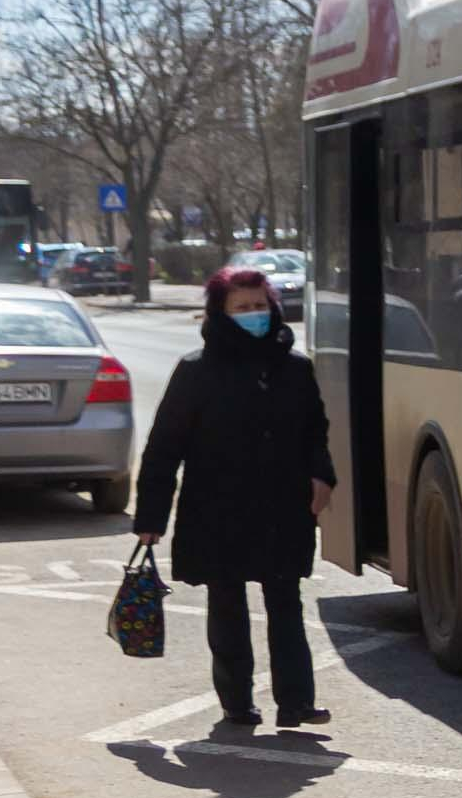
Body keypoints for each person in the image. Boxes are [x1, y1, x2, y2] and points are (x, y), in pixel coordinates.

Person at [135, 267, 335, 729]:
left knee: (286, 600)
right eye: (241, 308)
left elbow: (315, 431)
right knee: (227, 604)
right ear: (221, 313)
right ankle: (237, 702)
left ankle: (296, 702)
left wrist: (322, 475)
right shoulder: (196, 371)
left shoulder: (295, 367)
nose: (253, 315)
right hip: (217, 509)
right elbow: (164, 447)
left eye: (260, 306)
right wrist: (150, 518)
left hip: (283, 505)